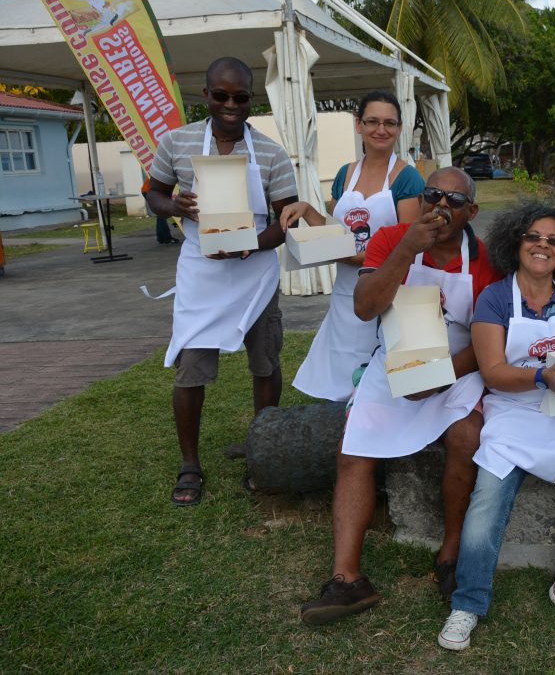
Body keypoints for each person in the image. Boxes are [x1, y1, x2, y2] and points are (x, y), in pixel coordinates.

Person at [299, 167, 501, 625]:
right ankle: (347, 578)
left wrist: (440, 375)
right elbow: (366, 305)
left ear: (471, 211)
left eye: (453, 200)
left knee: (467, 436)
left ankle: (450, 555)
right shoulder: (390, 238)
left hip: (456, 368)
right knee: (352, 450)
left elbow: (491, 342)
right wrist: (409, 248)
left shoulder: (485, 260)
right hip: (395, 362)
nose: (441, 206)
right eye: (432, 195)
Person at [438, 201, 555, 651]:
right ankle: (467, 603)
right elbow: (493, 371)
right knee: (485, 508)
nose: (542, 246)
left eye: (553, 240)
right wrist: (542, 376)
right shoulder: (497, 299)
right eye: (533, 237)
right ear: (516, 242)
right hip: (515, 414)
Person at [145, 57, 298, 506]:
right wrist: (175, 206)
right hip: (202, 271)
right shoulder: (177, 141)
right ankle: (189, 464)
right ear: (206, 95)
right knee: (191, 368)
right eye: (220, 95)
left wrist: (253, 243)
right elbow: (153, 194)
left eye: (241, 97)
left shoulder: (270, 152)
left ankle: (263, 454)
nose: (230, 105)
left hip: (255, 272)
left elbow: (287, 217)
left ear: (252, 98)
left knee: (265, 361)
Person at [279, 91, 424, 403]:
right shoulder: (345, 174)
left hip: (388, 294)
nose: (380, 130)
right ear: (359, 125)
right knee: (343, 375)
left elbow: (409, 246)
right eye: (372, 121)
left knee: (381, 382)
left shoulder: (407, 178)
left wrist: (349, 255)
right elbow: (337, 232)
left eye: (389, 123)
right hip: (345, 293)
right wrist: (306, 209)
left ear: (399, 129)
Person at [141, 177, 179, 245]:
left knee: (161, 215)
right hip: (151, 190)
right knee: (162, 214)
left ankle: (161, 238)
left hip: (149, 189)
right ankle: (166, 238)